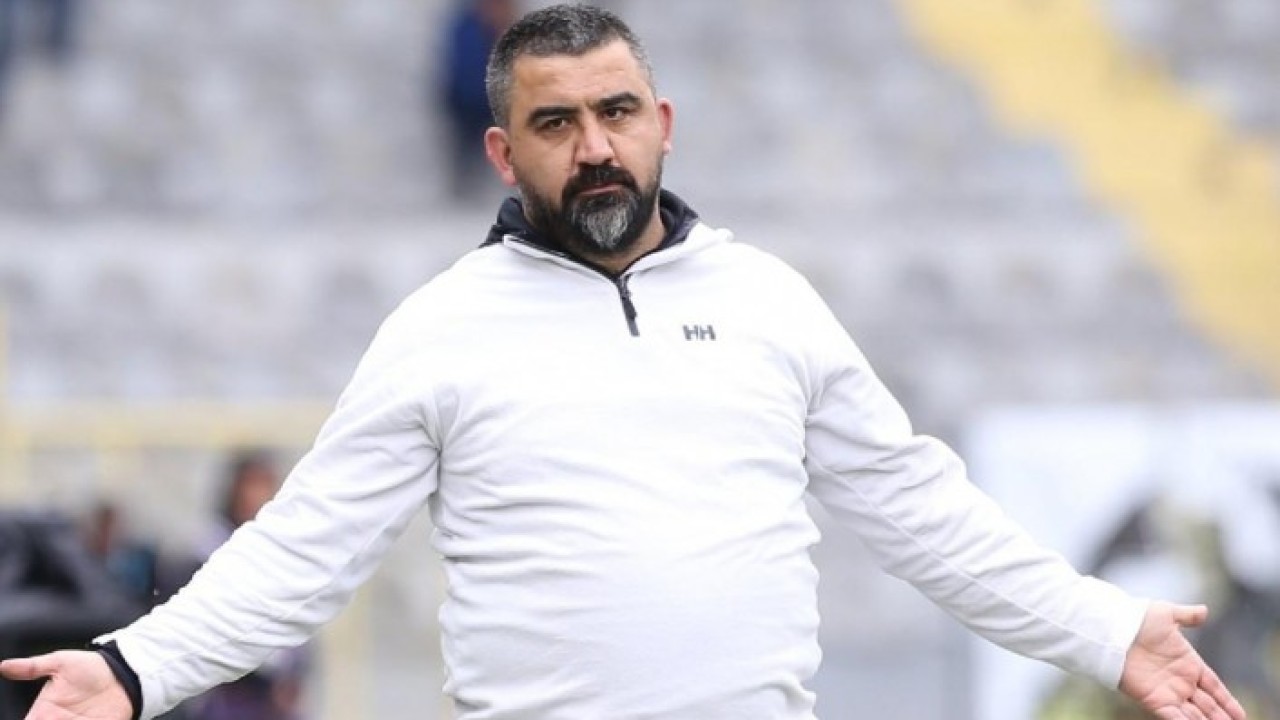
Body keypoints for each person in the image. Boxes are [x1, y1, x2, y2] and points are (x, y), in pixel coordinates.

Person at [0, 5, 1250, 719]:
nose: (592, 146)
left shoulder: (766, 300)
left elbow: (918, 509)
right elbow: (301, 549)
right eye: (555, 123)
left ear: (661, 125)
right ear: (503, 153)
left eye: (614, 113)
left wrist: (1102, 628)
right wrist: (132, 669)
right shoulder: (443, 327)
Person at [437, 0, 517, 201]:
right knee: (469, 155)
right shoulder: (468, 30)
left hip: (494, 103)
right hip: (471, 105)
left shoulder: (509, 31)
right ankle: (464, 195)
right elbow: (464, 74)